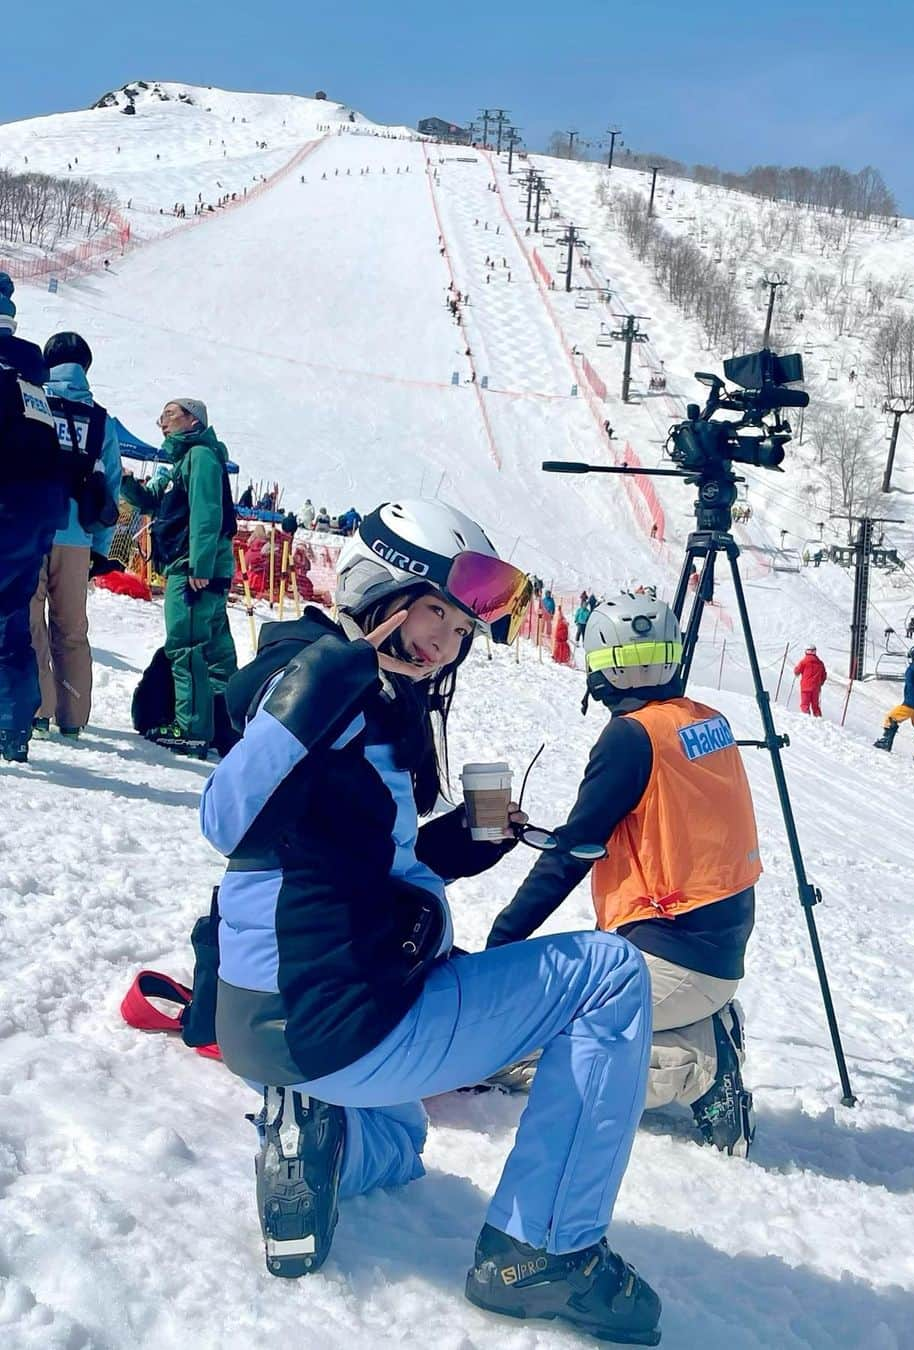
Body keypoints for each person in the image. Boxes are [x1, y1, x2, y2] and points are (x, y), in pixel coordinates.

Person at [198, 500, 662, 1344]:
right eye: (436, 612)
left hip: (270, 1027)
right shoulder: (313, 676)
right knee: (611, 976)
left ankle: (320, 1132)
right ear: (380, 586)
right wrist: (330, 680)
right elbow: (230, 818)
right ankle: (543, 1252)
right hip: (339, 1019)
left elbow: (356, 854)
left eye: (460, 629)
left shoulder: (377, 705)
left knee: (404, 1145)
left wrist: (465, 840)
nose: (447, 641)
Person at [486, 596, 759, 1158]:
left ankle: (696, 1067)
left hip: (675, 954)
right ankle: (696, 1026)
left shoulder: (632, 737)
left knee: (528, 1041)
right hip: (712, 947)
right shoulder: (705, 721)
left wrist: (503, 939)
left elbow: (574, 850)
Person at [120, 398, 238, 756]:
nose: (163, 423)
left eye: (170, 415)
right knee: (217, 653)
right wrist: (128, 485)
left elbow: (207, 512)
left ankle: (191, 728)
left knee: (184, 646)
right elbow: (153, 501)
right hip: (204, 569)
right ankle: (226, 725)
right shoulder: (180, 461)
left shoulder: (200, 456)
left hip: (192, 570)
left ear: (194, 420)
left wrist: (198, 566)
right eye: (161, 417)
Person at [27, 333, 122, 741]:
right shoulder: (102, 420)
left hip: (32, 528)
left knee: (31, 620)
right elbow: (111, 488)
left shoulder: (32, 400)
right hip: (79, 537)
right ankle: (73, 716)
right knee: (71, 628)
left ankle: (38, 709)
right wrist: (99, 550)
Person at [0, 275, 69, 763]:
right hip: (38, 514)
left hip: (7, 506)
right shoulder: (32, 384)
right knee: (11, 622)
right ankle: (13, 727)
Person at [874, 644, 914, 762]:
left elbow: (911, 686)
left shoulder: (911, 670)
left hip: (910, 704)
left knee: (891, 718)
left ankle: (886, 742)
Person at [793, 645, 826, 717]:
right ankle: (818, 720)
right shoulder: (820, 663)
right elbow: (824, 676)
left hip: (805, 687)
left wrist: (795, 671)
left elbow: (797, 671)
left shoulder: (804, 661)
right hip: (816, 688)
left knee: (805, 704)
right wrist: (820, 683)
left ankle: (807, 718)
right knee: (815, 706)